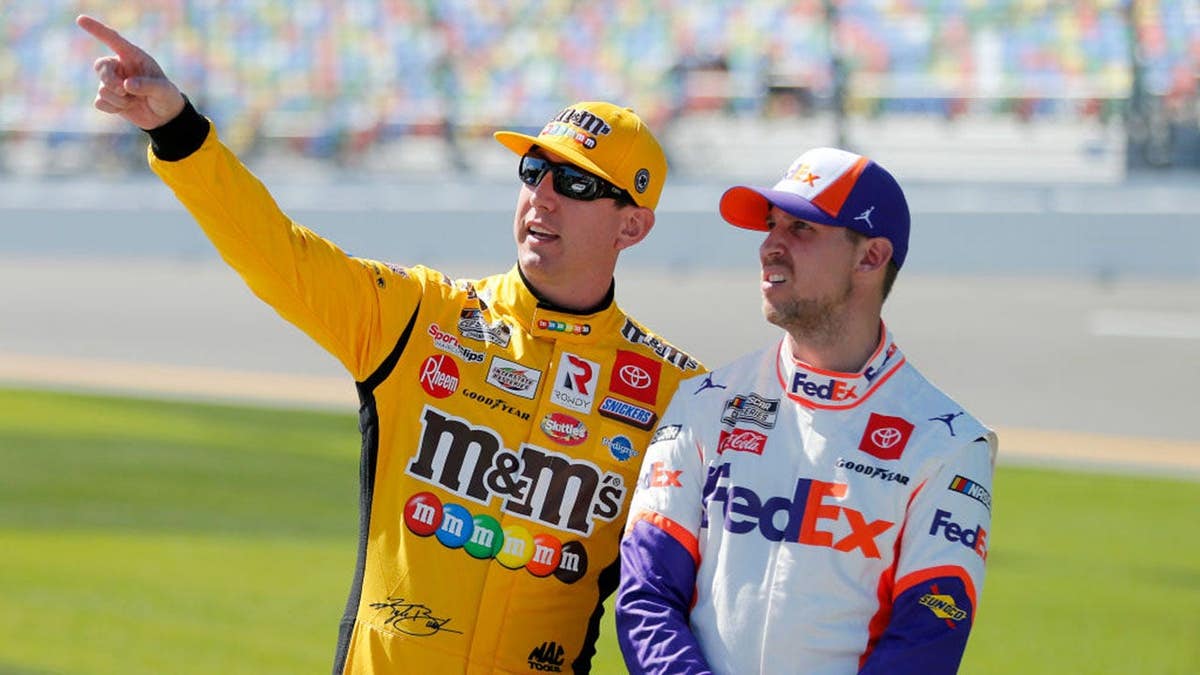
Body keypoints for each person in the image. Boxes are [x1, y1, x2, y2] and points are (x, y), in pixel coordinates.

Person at [77, 14, 706, 674]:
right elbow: (277, 254)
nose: (542, 198)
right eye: (533, 171)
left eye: (575, 184)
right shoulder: (419, 315)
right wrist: (178, 132)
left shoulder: (677, 393)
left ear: (632, 226)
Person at [616, 147, 998, 674]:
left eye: (801, 228)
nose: (769, 246)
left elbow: (929, 636)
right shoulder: (705, 401)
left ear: (870, 257)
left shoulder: (947, 446)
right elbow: (646, 594)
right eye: (771, 225)